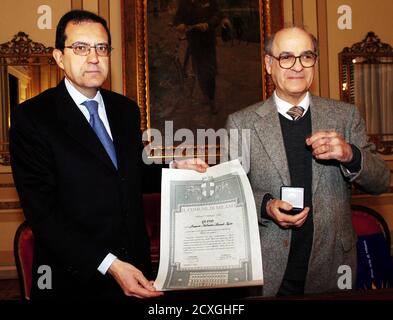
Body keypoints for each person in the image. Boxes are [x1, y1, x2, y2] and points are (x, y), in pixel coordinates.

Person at [10, 10, 207, 300]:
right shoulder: (33, 118)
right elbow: (44, 215)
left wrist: (176, 166)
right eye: (81, 48)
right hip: (74, 280)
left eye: (101, 48)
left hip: (136, 272)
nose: (93, 57)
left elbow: (133, 173)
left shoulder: (125, 109)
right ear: (59, 58)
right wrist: (110, 265)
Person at [226, 26, 390, 297]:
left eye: (306, 56)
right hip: (268, 269)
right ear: (269, 64)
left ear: (315, 61)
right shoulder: (241, 123)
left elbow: (381, 180)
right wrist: (266, 205)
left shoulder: (345, 116)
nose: (297, 66)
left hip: (333, 267)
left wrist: (350, 154)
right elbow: (232, 193)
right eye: (286, 57)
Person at [173, 0, 221, 114]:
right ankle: (206, 96)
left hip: (208, 41)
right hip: (194, 42)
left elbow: (218, 15)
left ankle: (212, 100)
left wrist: (208, 24)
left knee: (210, 72)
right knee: (198, 70)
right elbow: (177, 19)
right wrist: (179, 24)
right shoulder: (184, 3)